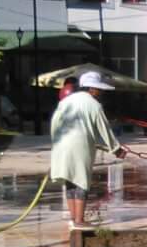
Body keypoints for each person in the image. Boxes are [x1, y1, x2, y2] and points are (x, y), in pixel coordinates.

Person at [50, 71, 124, 234]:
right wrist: (116, 148)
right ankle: (79, 220)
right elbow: (103, 128)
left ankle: (73, 218)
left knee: (70, 180)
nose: (101, 92)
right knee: (82, 181)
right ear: (92, 89)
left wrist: (56, 143)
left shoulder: (66, 102)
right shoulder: (94, 105)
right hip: (80, 146)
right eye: (99, 89)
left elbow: (54, 123)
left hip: (61, 144)